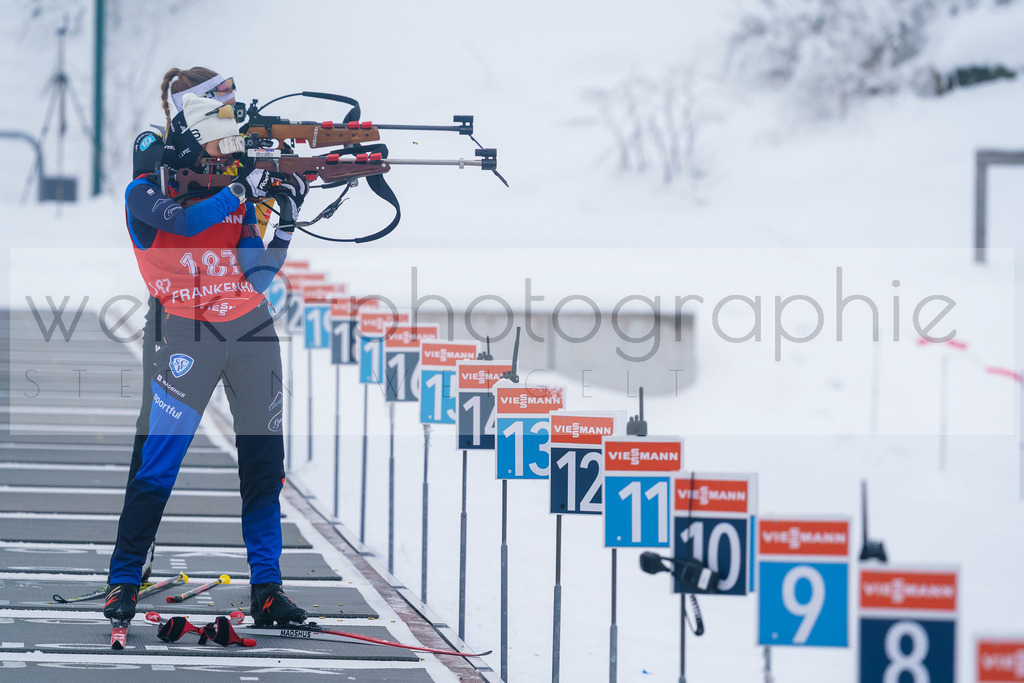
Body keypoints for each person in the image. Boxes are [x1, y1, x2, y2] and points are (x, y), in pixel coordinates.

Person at [104, 90, 309, 627]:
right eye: (219, 143)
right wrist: (243, 188)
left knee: (265, 469)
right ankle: (123, 580)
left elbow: (256, 276)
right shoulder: (143, 193)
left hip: (252, 330)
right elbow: (187, 226)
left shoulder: (234, 192)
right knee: (159, 464)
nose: (227, 153)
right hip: (189, 333)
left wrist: (284, 220)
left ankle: (268, 590)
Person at [123, 68, 274, 585]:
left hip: (237, 308)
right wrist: (238, 189)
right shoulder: (159, 149)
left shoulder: (232, 148)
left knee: (258, 457)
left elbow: (255, 255)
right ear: (197, 106)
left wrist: (271, 194)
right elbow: (173, 213)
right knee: (154, 440)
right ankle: (132, 566)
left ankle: (267, 585)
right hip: (176, 312)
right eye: (222, 101)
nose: (232, 109)